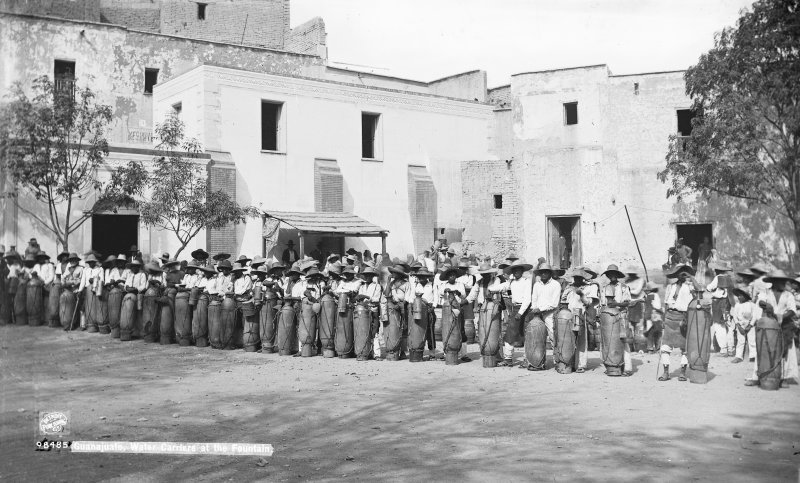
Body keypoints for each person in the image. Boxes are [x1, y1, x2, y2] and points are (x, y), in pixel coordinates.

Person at [750, 270, 798, 388]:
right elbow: (760, 301)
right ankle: (758, 376)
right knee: (764, 349)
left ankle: (784, 378)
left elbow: (792, 310)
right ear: (774, 282)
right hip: (768, 325)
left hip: (785, 325)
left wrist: (780, 316)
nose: (783, 283)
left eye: (783, 281)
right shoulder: (766, 292)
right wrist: (766, 305)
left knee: (785, 351)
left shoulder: (789, 295)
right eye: (780, 281)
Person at [488, 258, 533, 367]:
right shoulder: (511, 282)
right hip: (515, 309)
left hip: (524, 310)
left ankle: (527, 359)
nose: (516, 272)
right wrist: (490, 288)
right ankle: (508, 359)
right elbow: (502, 286)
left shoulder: (526, 282)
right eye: (514, 270)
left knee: (525, 334)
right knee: (510, 334)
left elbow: (527, 299)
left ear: (522, 271)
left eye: (518, 270)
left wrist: (520, 313)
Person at [661, 265, 695, 381]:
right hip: (670, 317)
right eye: (679, 272)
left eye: (684, 272)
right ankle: (666, 372)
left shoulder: (690, 287)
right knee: (665, 347)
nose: (682, 274)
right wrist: (663, 319)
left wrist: (692, 278)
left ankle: (682, 372)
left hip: (683, 317)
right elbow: (666, 303)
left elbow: (700, 290)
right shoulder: (670, 287)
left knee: (684, 347)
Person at [600, 264, 634, 376]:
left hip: (621, 316)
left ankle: (627, 368)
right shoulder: (604, 288)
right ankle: (611, 364)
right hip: (608, 318)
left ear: (617, 275)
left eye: (614, 274)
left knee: (623, 341)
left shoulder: (623, 287)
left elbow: (628, 302)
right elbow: (602, 304)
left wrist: (616, 304)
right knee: (608, 341)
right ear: (608, 275)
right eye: (610, 274)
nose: (612, 276)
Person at [561, 269, 596, 373]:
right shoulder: (569, 287)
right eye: (576, 277)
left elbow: (589, 303)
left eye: (579, 278)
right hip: (568, 315)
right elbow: (563, 300)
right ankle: (569, 363)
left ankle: (581, 364)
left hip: (581, 315)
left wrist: (581, 295)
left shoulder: (587, 288)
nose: (577, 279)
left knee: (581, 340)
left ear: (583, 279)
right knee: (569, 339)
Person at [707, 260, 735, 356]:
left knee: (719, 326)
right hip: (728, 302)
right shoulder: (729, 278)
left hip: (718, 303)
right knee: (729, 326)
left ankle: (723, 349)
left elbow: (709, 288)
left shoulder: (717, 278)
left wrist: (709, 288)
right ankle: (731, 348)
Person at [731, 288, 759, 365]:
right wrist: (738, 326)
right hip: (740, 325)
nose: (739, 297)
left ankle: (753, 356)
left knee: (752, 341)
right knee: (740, 341)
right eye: (738, 296)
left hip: (750, 325)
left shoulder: (752, 305)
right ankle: (739, 356)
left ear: (745, 297)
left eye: (740, 296)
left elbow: (754, 316)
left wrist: (750, 325)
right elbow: (734, 316)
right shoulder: (737, 305)